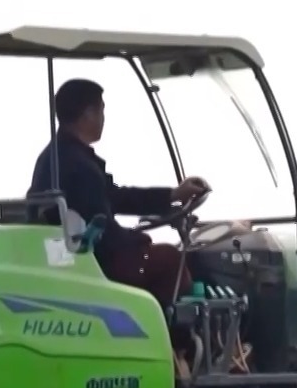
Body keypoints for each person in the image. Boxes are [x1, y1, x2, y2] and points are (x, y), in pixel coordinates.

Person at [30, 78, 210, 305]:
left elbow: (115, 197)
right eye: (101, 110)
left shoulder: (59, 156)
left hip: (74, 257)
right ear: (88, 114)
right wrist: (137, 239)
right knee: (170, 259)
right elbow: (104, 232)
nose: (104, 118)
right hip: (95, 262)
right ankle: (175, 326)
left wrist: (172, 195)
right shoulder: (78, 166)